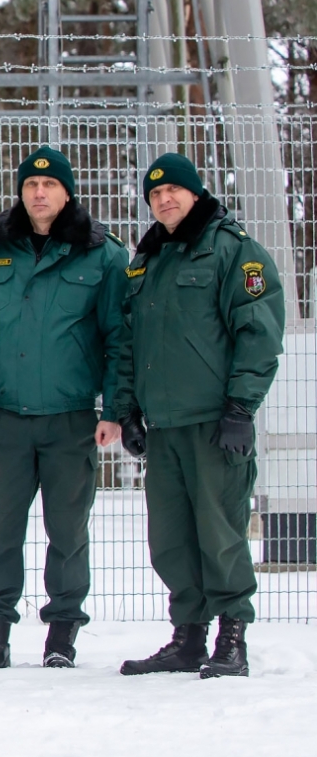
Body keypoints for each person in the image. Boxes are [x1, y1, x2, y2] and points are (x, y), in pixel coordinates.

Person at [0, 146, 129, 670]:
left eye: (50, 185)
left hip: (72, 420)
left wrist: (114, 409)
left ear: (67, 193)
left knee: (68, 533)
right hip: (6, 419)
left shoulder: (101, 255)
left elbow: (120, 338)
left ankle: (61, 638)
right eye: (31, 184)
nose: (39, 192)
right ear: (21, 192)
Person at [115, 153, 283, 679]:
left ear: (195, 192)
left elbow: (259, 333)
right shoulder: (148, 259)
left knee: (220, 532)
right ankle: (188, 637)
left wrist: (241, 408)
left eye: (174, 190)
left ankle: (232, 637)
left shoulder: (231, 249)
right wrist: (128, 410)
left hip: (214, 423)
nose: (164, 199)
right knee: (171, 539)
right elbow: (130, 343)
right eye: (155, 194)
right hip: (163, 427)